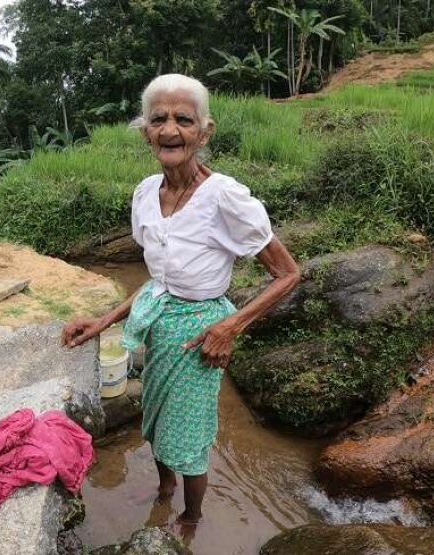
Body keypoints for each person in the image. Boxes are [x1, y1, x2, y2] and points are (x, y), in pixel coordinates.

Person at [61, 74, 301, 532]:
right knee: (154, 416)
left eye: (184, 120)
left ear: (204, 132)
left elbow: (288, 274)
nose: (170, 129)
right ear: (146, 132)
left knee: (189, 438)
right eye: (159, 119)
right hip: (159, 323)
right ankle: (164, 491)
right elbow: (159, 282)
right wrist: (104, 320)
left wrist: (229, 327)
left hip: (200, 335)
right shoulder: (145, 194)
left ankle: (191, 520)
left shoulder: (225, 197)